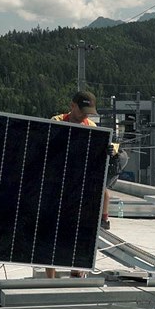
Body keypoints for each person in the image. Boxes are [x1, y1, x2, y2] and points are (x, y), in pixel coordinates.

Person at [44, 90, 119, 279]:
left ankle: (76, 273)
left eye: (88, 112)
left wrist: (112, 150)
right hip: (57, 187)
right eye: (82, 111)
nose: (85, 115)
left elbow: (106, 151)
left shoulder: (92, 127)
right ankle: (50, 280)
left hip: (80, 189)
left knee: (77, 236)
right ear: (72, 106)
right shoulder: (57, 122)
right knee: (51, 236)